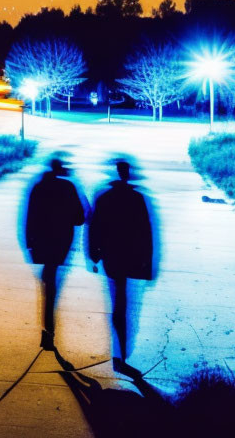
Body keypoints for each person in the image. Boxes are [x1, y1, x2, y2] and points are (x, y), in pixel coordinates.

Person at [89, 160, 154, 374]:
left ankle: (119, 346)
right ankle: (122, 349)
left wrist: (94, 253)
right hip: (130, 254)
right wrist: (146, 261)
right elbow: (145, 232)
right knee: (122, 298)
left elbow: (96, 226)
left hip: (111, 254)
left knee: (116, 295)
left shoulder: (105, 198)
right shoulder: (137, 199)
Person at [24, 157, 86, 350]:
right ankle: (49, 328)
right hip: (61, 241)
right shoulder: (68, 187)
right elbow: (79, 219)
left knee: (48, 280)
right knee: (51, 280)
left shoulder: (39, 187)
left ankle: (47, 328)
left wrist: (30, 243)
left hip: (42, 240)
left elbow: (30, 215)